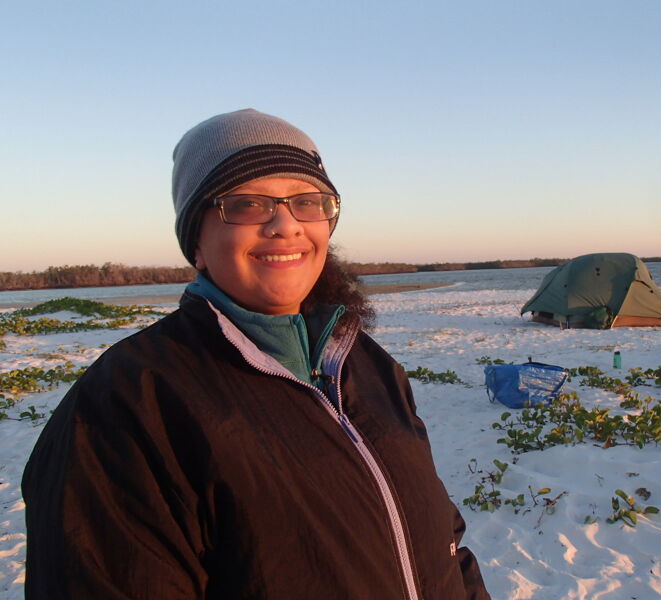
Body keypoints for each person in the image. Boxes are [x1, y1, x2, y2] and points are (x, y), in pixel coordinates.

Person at [23, 109, 490, 599]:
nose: (285, 225)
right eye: (247, 203)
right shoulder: (128, 403)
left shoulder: (366, 363)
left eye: (308, 202)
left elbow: (445, 544)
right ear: (196, 242)